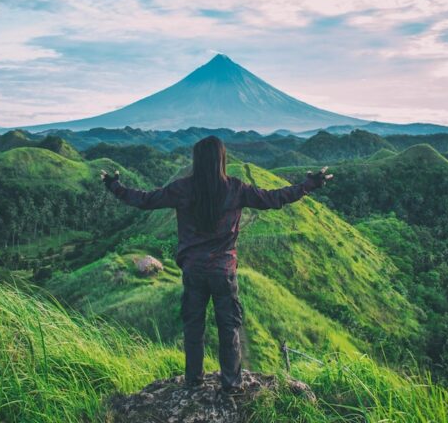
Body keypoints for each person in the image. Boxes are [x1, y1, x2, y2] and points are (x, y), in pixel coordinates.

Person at [100, 135, 333, 394]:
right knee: (228, 327)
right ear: (222, 159)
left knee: (193, 326)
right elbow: (274, 198)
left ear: (197, 161)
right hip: (223, 271)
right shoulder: (235, 188)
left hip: (194, 270)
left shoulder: (182, 188)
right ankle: (232, 385)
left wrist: (114, 186)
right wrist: (309, 185)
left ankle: (194, 381)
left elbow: (145, 200)